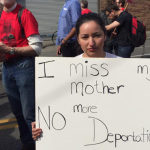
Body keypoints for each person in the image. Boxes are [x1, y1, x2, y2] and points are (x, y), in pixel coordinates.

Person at [0, 0, 42, 149]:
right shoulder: (1, 15)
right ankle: (27, 143)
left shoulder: (24, 14)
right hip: (7, 67)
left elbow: (36, 48)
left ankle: (36, 144)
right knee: (17, 112)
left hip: (24, 66)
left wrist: (10, 50)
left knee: (29, 113)